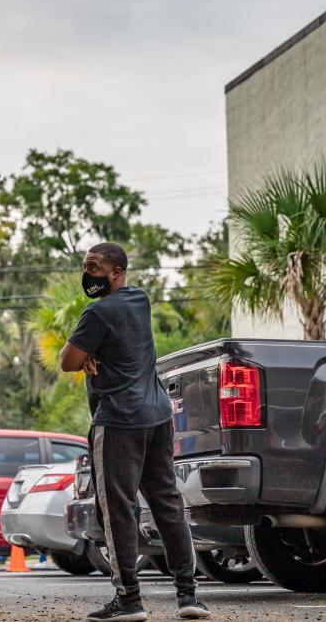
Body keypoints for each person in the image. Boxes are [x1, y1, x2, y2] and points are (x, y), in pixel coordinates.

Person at [60, 242, 209, 621]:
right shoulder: (138, 300)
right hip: (158, 415)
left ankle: (129, 600)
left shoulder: (97, 312)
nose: (88, 274)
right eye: (85, 266)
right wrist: (92, 350)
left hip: (119, 420)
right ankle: (188, 597)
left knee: (118, 510)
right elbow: (92, 351)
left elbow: (67, 361)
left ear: (116, 271)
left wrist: (89, 352)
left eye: (94, 267)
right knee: (167, 504)